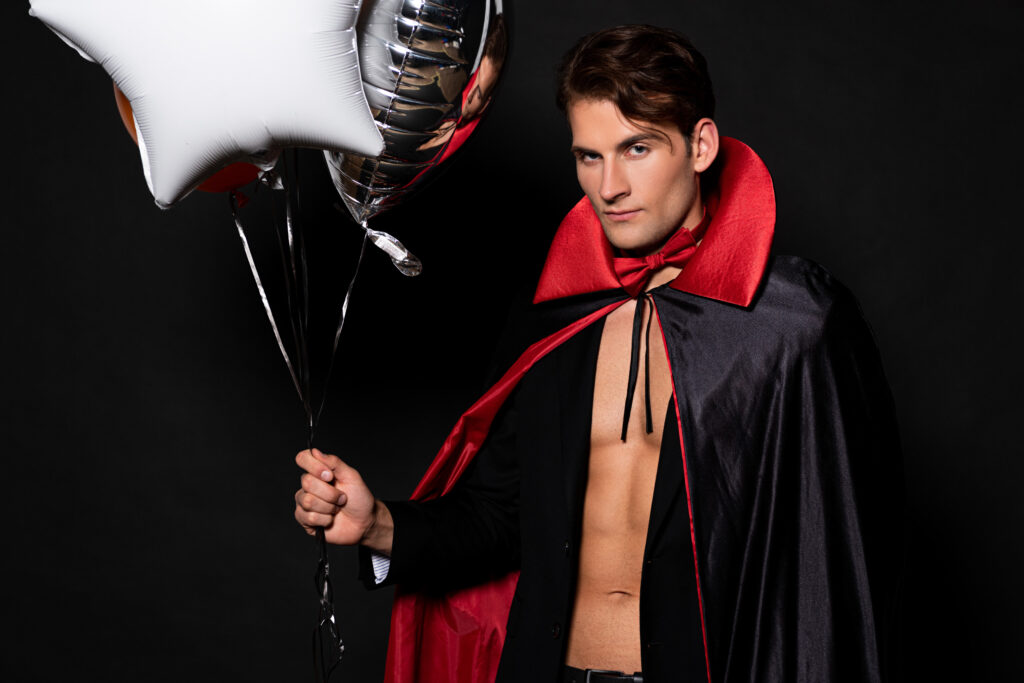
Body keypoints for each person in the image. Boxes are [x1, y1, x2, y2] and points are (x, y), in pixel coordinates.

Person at [294, 24, 903, 683]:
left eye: (637, 148)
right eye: (589, 156)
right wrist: (381, 524)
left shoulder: (796, 323)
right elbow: (501, 513)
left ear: (701, 146)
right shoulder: (557, 310)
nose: (609, 185)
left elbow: (838, 554)